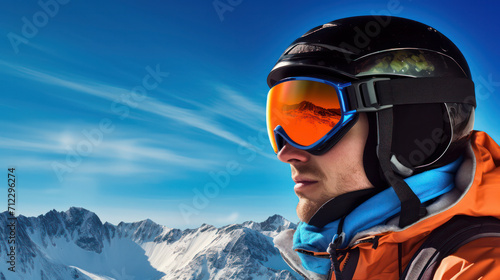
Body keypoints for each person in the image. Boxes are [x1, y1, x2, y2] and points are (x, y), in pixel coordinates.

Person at [266, 16, 500, 279]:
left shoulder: (477, 267)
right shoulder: (344, 255)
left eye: (321, 120)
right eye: (282, 122)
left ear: (411, 131)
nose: (285, 153)